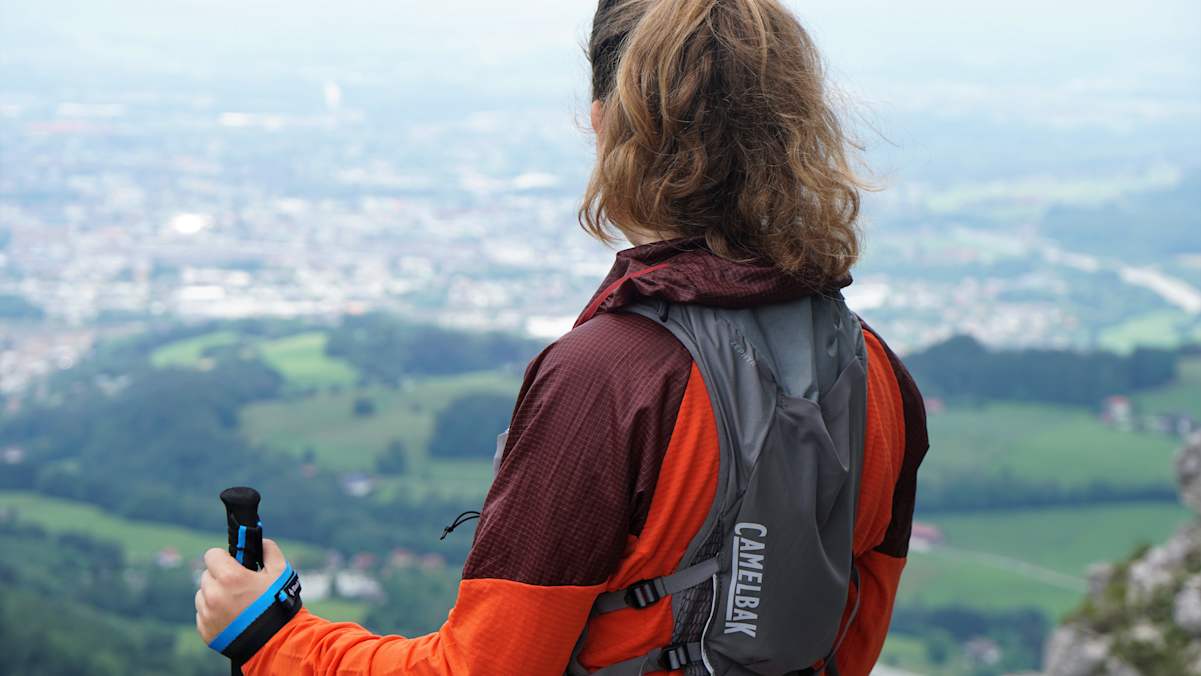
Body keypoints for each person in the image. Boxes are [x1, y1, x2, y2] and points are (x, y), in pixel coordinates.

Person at [195, 1, 929, 674]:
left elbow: (485, 670)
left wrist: (272, 637)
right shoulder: (875, 373)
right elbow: (851, 642)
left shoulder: (608, 378)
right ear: (793, 123)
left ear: (608, 124)